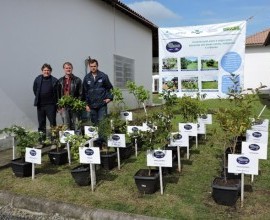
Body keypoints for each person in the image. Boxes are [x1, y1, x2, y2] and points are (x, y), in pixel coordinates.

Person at [33, 63, 60, 141]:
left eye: (48, 70)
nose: (46, 72)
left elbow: (58, 93)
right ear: (42, 71)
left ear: (50, 71)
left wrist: (58, 105)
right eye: (45, 70)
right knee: (41, 124)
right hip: (40, 105)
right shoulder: (37, 79)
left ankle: (54, 141)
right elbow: (35, 90)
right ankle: (42, 141)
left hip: (51, 105)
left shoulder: (55, 80)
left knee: (53, 123)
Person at [82, 59, 113, 126]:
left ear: (97, 66)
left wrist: (109, 98)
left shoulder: (103, 76)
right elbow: (84, 92)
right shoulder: (87, 78)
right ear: (89, 67)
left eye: (94, 66)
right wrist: (86, 104)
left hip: (102, 104)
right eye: (91, 66)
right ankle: (96, 136)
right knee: (94, 123)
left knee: (102, 122)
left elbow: (110, 88)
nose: (93, 68)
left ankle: (102, 137)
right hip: (91, 105)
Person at [58, 62, 82, 130]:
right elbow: (58, 94)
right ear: (64, 69)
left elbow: (81, 93)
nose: (68, 69)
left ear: (72, 69)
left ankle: (78, 138)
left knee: (76, 123)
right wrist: (59, 106)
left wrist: (77, 104)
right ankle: (68, 139)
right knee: (66, 124)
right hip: (64, 106)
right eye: (66, 68)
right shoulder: (60, 81)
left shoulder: (77, 80)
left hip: (74, 105)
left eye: (69, 68)